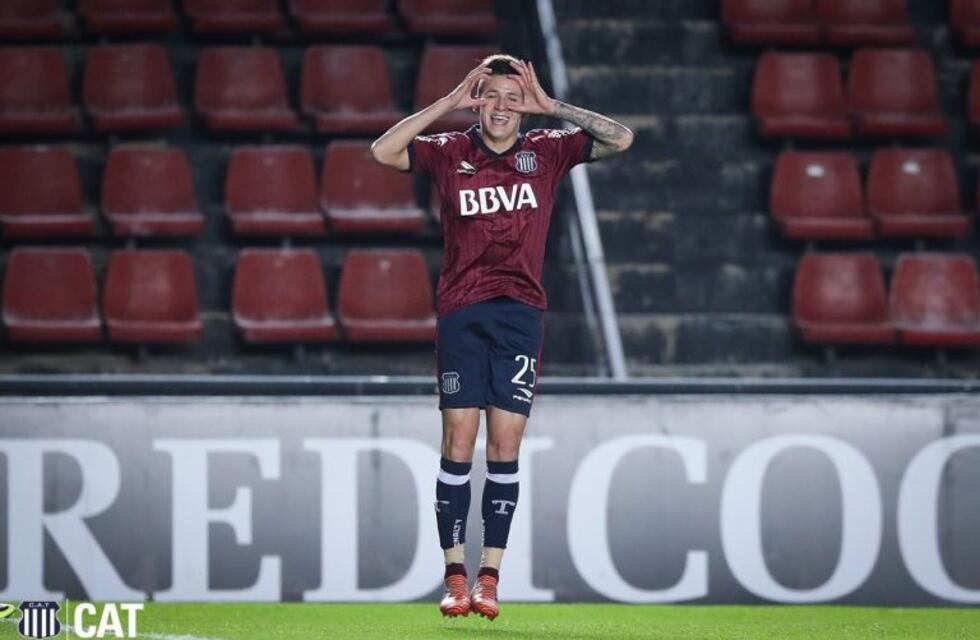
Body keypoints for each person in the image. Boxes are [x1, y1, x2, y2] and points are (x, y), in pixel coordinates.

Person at [371, 54, 633, 620]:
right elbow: (383, 152)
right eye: (491, 95)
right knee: (458, 443)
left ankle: (489, 576)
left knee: (505, 448)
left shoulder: (549, 148)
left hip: (520, 314)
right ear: (478, 99)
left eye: (514, 98)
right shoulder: (450, 152)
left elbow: (621, 140)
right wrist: (445, 104)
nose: (502, 107)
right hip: (462, 312)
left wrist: (554, 106)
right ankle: (454, 575)